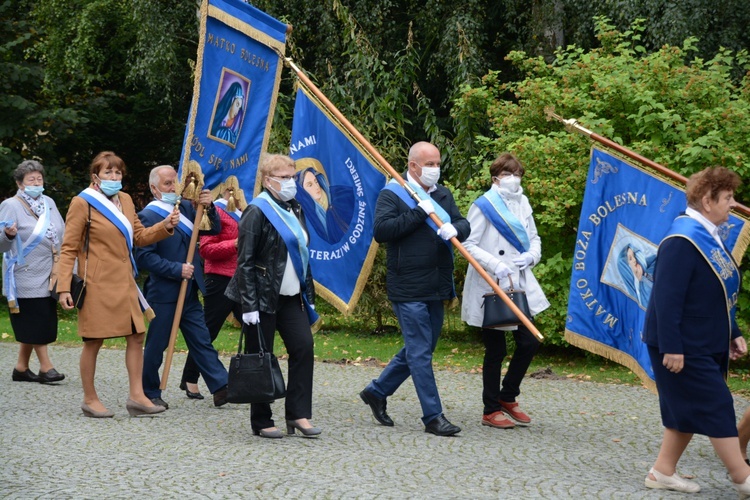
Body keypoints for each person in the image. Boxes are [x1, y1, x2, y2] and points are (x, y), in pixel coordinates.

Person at [642, 166, 750, 496]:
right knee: (717, 403)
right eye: (728, 198)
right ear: (707, 201)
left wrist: (732, 331)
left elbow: (716, 292)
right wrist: (673, 347)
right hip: (680, 344)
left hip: (702, 340)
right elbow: (666, 298)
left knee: (684, 410)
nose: (733, 204)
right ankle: (742, 476)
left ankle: (662, 472)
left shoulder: (708, 235)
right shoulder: (682, 239)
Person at [358, 141, 470, 437]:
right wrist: (419, 213)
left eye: (437, 164)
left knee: (421, 348)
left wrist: (457, 229)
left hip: (437, 283)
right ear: (413, 166)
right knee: (420, 352)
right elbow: (382, 232)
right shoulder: (393, 193)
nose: (435, 169)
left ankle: (377, 391)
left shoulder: (443, 194)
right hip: (407, 285)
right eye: (429, 164)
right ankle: (433, 416)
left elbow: (462, 222)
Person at [57, 151, 179, 418]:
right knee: (93, 340)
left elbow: (138, 236)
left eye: (118, 172)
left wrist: (164, 226)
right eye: (108, 172)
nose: (114, 177)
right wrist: (63, 286)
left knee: (136, 336)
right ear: (95, 177)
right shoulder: (83, 202)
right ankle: (90, 398)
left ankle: (137, 396)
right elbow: (68, 248)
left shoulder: (124, 199)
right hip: (96, 283)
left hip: (125, 282)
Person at [226, 154, 320, 439]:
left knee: (303, 348)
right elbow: (244, 261)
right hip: (262, 298)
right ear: (268, 181)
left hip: (291, 297)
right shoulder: (257, 211)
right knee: (260, 357)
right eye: (284, 177)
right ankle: (262, 420)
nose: (291, 182)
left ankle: (298, 414)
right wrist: (249, 305)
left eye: (292, 176)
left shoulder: (295, 209)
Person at [460, 153, 549, 429]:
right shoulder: (484, 205)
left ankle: (508, 395)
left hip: (518, 280)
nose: (514, 179)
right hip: (491, 282)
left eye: (518, 173)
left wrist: (531, 257)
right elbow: (468, 244)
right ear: (496, 177)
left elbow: (533, 237)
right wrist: (495, 264)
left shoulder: (522, 201)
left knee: (530, 341)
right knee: (495, 349)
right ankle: (490, 408)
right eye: (509, 174)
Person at [136, 165, 229, 410]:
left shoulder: (188, 207)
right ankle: (148, 392)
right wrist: (177, 269)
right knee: (157, 345)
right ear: (154, 188)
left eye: (174, 182)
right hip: (164, 292)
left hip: (189, 290)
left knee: (201, 340)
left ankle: (222, 387)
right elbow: (144, 257)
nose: (173, 187)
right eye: (167, 184)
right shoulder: (148, 216)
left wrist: (208, 206)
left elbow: (215, 229)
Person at [0, 160, 66, 384]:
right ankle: (47, 368)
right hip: (24, 274)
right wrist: (8, 235)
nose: (37, 183)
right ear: (20, 183)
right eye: (31, 180)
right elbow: (1, 244)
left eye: (39, 179)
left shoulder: (49, 202)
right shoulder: (11, 205)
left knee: (40, 318)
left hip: (50, 272)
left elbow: (62, 232)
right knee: (36, 318)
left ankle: (21, 368)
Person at [178, 188, 243, 400]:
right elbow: (206, 250)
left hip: (246, 278)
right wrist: (234, 244)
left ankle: (250, 382)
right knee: (208, 332)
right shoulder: (217, 210)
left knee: (255, 330)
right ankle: (190, 377)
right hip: (220, 279)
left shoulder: (247, 210)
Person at [294, 158, 354, 244]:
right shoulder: (303, 215)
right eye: (310, 185)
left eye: (316, 182)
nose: (316, 187)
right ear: (302, 191)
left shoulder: (340, 195)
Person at [617, 244, 655, 308]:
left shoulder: (652, 265)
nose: (634, 260)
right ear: (626, 267)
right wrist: (643, 279)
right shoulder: (636, 293)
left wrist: (645, 276)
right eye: (630, 259)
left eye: (634, 255)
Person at [210, 81, 244, 146]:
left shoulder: (235, 127)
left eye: (239, 108)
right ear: (231, 101)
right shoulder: (216, 117)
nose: (237, 111)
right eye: (237, 104)